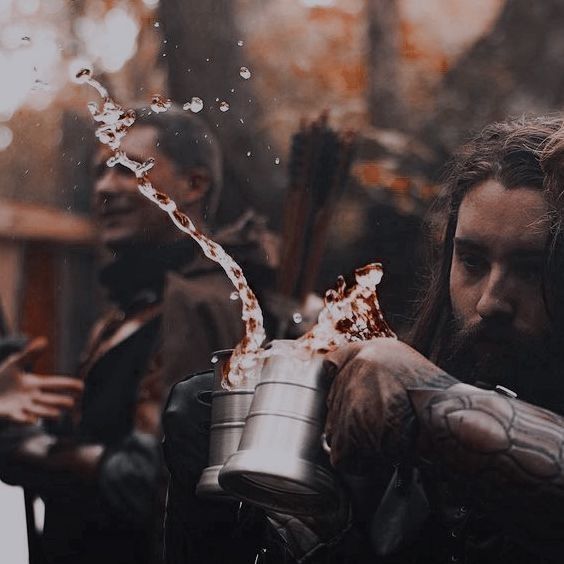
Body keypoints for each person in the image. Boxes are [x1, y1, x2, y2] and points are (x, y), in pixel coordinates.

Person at [162, 115, 564, 564]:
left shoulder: (416, 393)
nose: (491, 301)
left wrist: (432, 400)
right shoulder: (386, 429)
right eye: (471, 261)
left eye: (531, 269)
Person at [0, 104, 274, 564]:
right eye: (99, 173)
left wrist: (27, 448)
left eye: (128, 170)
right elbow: (99, 444)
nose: (106, 188)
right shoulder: (130, 309)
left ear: (193, 184)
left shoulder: (200, 303)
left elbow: (149, 482)